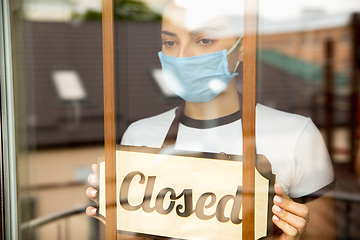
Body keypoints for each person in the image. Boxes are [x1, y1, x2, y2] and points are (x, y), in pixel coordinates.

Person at [87, 0, 336, 239]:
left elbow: (324, 235)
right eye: (170, 42)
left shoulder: (296, 136)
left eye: (204, 40)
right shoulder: (139, 136)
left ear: (243, 47)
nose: (182, 56)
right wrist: (115, 220)